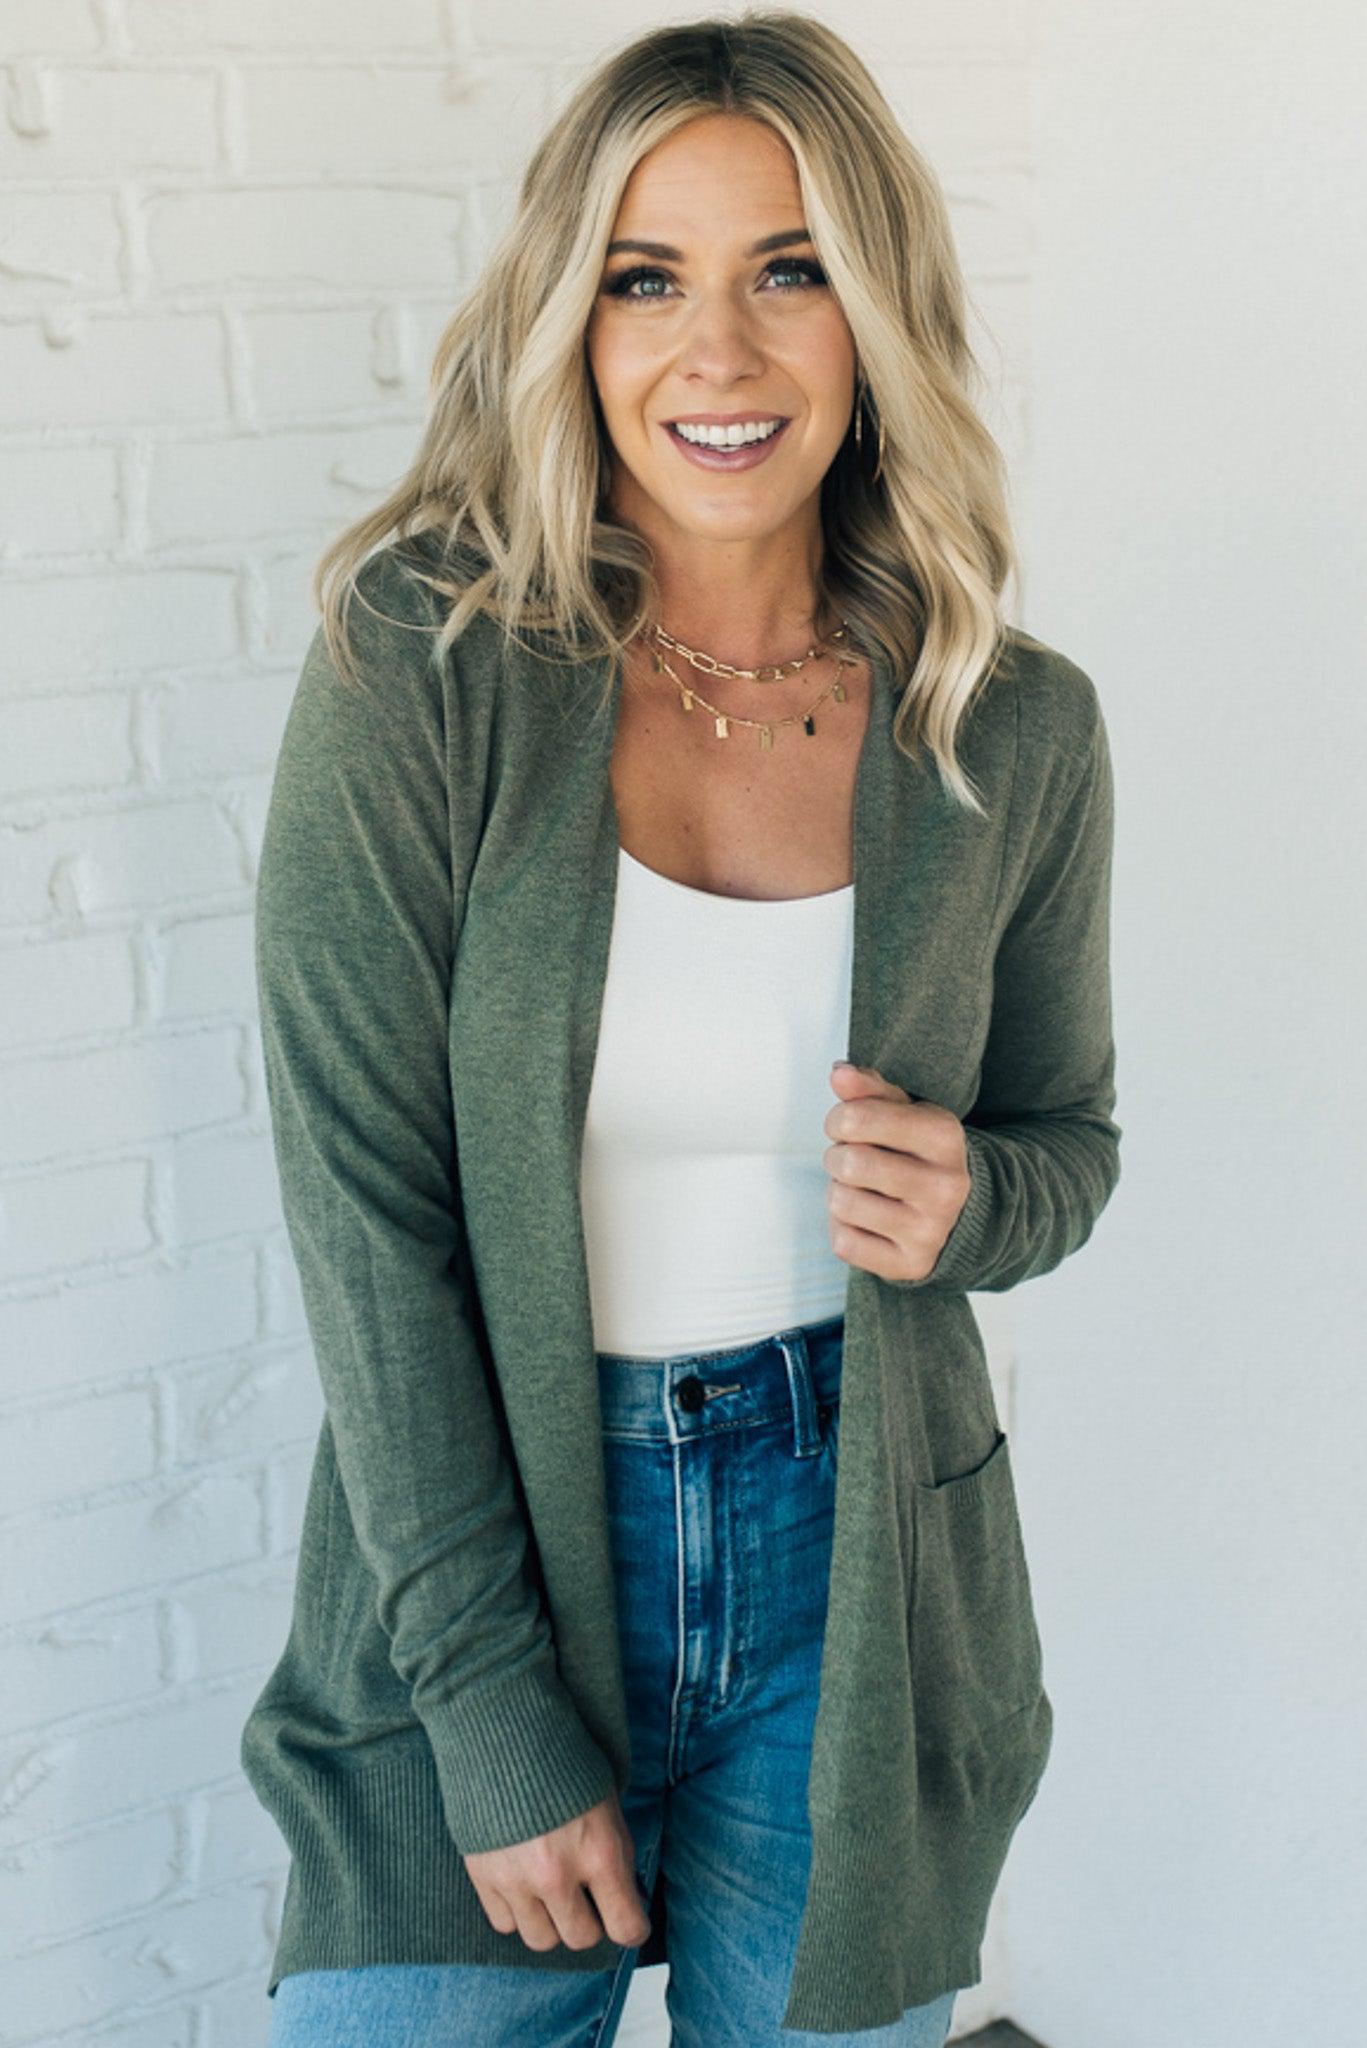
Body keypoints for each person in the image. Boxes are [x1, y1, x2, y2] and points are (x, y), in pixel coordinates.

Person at [243, 12, 1121, 2046]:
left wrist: (974, 1195)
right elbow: (366, 1212)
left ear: (877, 309)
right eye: (648, 277)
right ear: (574, 313)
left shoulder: (1016, 725)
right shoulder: (425, 662)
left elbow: (1070, 1138)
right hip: (490, 1551)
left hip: (864, 1583)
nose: (715, 354)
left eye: (788, 268)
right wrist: (481, 1705)